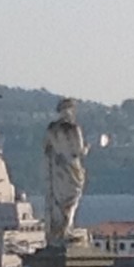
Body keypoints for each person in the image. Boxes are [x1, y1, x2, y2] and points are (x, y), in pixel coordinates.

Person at [44, 98, 88, 246]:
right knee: (72, 199)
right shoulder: (73, 128)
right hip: (71, 168)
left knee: (58, 200)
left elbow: (47, 149)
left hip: (57, 168)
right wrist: (87, 149)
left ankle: (58, 231)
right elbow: (78, 151)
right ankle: (66, 229)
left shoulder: (51, 128)